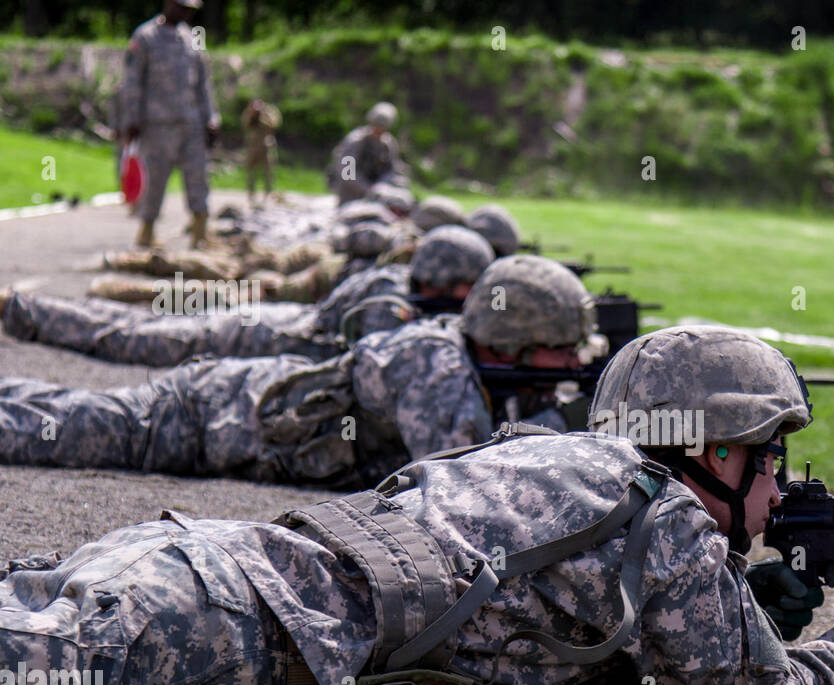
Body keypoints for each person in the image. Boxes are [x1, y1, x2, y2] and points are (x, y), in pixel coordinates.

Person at [0, 324, 834, 685]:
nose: (780, 485)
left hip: (206, 577)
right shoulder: (671, 522)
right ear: (711, 449)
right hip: (222, 632)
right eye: (769, 458)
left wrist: (740, 615)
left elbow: (533, 634)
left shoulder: (558, 457)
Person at [0, 255, 590, 488]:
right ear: (515, 342)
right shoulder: (437, 366)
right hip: (208, 416)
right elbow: (464, 479)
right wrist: (559, 422)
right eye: (562, 349)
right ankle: (21, 310)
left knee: (65, 409)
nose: (573, 362)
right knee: (62, 426)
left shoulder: (473, 367)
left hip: (229, 419)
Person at [1, 226, 495, 367]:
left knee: (159, 319)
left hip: (271, 322)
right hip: (255, 332)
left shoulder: (393, 286)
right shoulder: (389, 301)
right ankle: (21, 307)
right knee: (133, 335)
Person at [120, 0, 221, 249]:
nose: (186, 12)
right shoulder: (145, 36)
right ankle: (147, 230)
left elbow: (202, 84)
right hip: (157, 124)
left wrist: (211, 118)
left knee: (198, 176)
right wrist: (132, 120)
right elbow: (132, 83)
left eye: (190, 9)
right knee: (155, 180)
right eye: (181, 6)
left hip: (192, 122)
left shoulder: (192, 38)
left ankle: (199, 231)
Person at [328, 103, 409, 205]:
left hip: (377, 189)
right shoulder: (355, 140)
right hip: (352, 191)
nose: (379, 129)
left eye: (383, 126)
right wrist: (367, 188)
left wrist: (380, 186)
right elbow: (346, 173)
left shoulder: (388, 144)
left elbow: (393, 170)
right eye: (377, 125)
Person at [241, 99, 281, 206]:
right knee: (251, 173)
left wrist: (262, 115)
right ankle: (251, 196)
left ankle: (267, 195)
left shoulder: (269, 113)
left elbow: (273, 124)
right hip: (253, 147)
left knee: (268, 173)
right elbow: (245, 125)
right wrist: (251, 114)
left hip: (266, 147)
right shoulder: (249, 114)